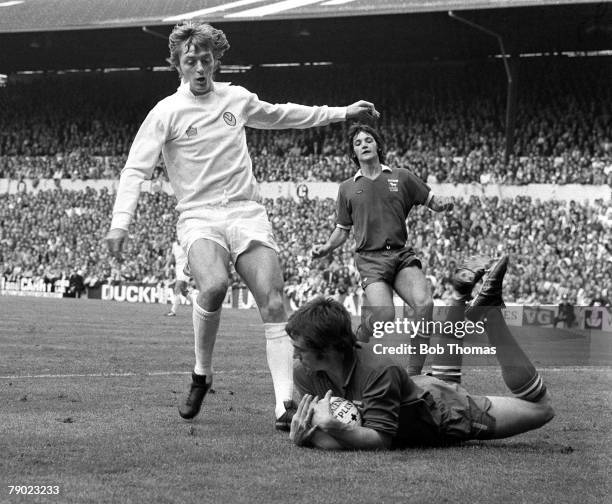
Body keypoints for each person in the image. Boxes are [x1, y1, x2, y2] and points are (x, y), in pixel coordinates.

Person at [104, 20, 380, 430]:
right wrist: (120, 223)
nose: (199, 68)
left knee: (273, 300)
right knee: (213, 286)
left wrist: (342, 113)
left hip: (246, 212)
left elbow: (283, 114)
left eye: (205, 59)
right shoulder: (166, 112)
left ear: (215, 61)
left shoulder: (236, 98)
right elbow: (134, 170)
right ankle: (201, 373)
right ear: (178, 65)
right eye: (190, 61)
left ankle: (285, 404)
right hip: (199, 215)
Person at [287, 256, 555, 449]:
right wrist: (306, 433)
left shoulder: (378, 370)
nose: (296, 357)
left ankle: (491, 317)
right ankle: (460, 296)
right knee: (445, 379)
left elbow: (379, 439)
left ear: (330, 349)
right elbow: (311, 426)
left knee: (542, 410)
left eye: (301, 351)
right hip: (415, 392)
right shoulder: (305, 373)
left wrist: (329, 431)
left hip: (446, 411)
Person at [312, 123, 454, 376]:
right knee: (385, 316)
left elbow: (432, 200)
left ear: (378, 145)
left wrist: (442, 204)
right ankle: (361, 334)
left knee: (425, 304)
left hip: (401, 255)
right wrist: (325, 247)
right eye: (358, 143)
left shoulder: (401, 176)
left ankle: (414, 374)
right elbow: (342, 229)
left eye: (368, 140)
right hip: (371, 259)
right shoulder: (346, 188)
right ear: (353, 154)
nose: (364, 145)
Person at [166, 240, 191, 317]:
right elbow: (172, 256)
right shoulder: (174, 245)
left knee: (177, 288)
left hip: (185, 268)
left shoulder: (187, 243)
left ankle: (173, 311)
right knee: (184, 291)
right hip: (178, 268)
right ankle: (198, 307)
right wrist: (167, 265)